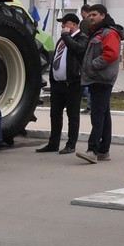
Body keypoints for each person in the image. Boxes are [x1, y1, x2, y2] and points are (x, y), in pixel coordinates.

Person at [76, 3, 123, 164]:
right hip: (97, 78)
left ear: (103, 15)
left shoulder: (109, 33)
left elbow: (110, 54)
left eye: (94, 14)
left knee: (97, 115)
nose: (91, 17)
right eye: (89, 15)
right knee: (104, 114)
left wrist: (92, 65)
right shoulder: (98, 32)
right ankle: (104, 150)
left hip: (102, 78)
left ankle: (93, 150)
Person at [36, 13, 87, 154]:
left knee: (73, 115)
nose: (63, 26)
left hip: (72, 83)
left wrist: (66, 36)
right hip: (58, 84)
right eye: (62, 24)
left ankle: (71, 144)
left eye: (66, 24)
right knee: (55, 114)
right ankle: (53, 143)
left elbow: (78, 49)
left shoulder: (81, 38)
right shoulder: (63, 39)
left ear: (75, 25)